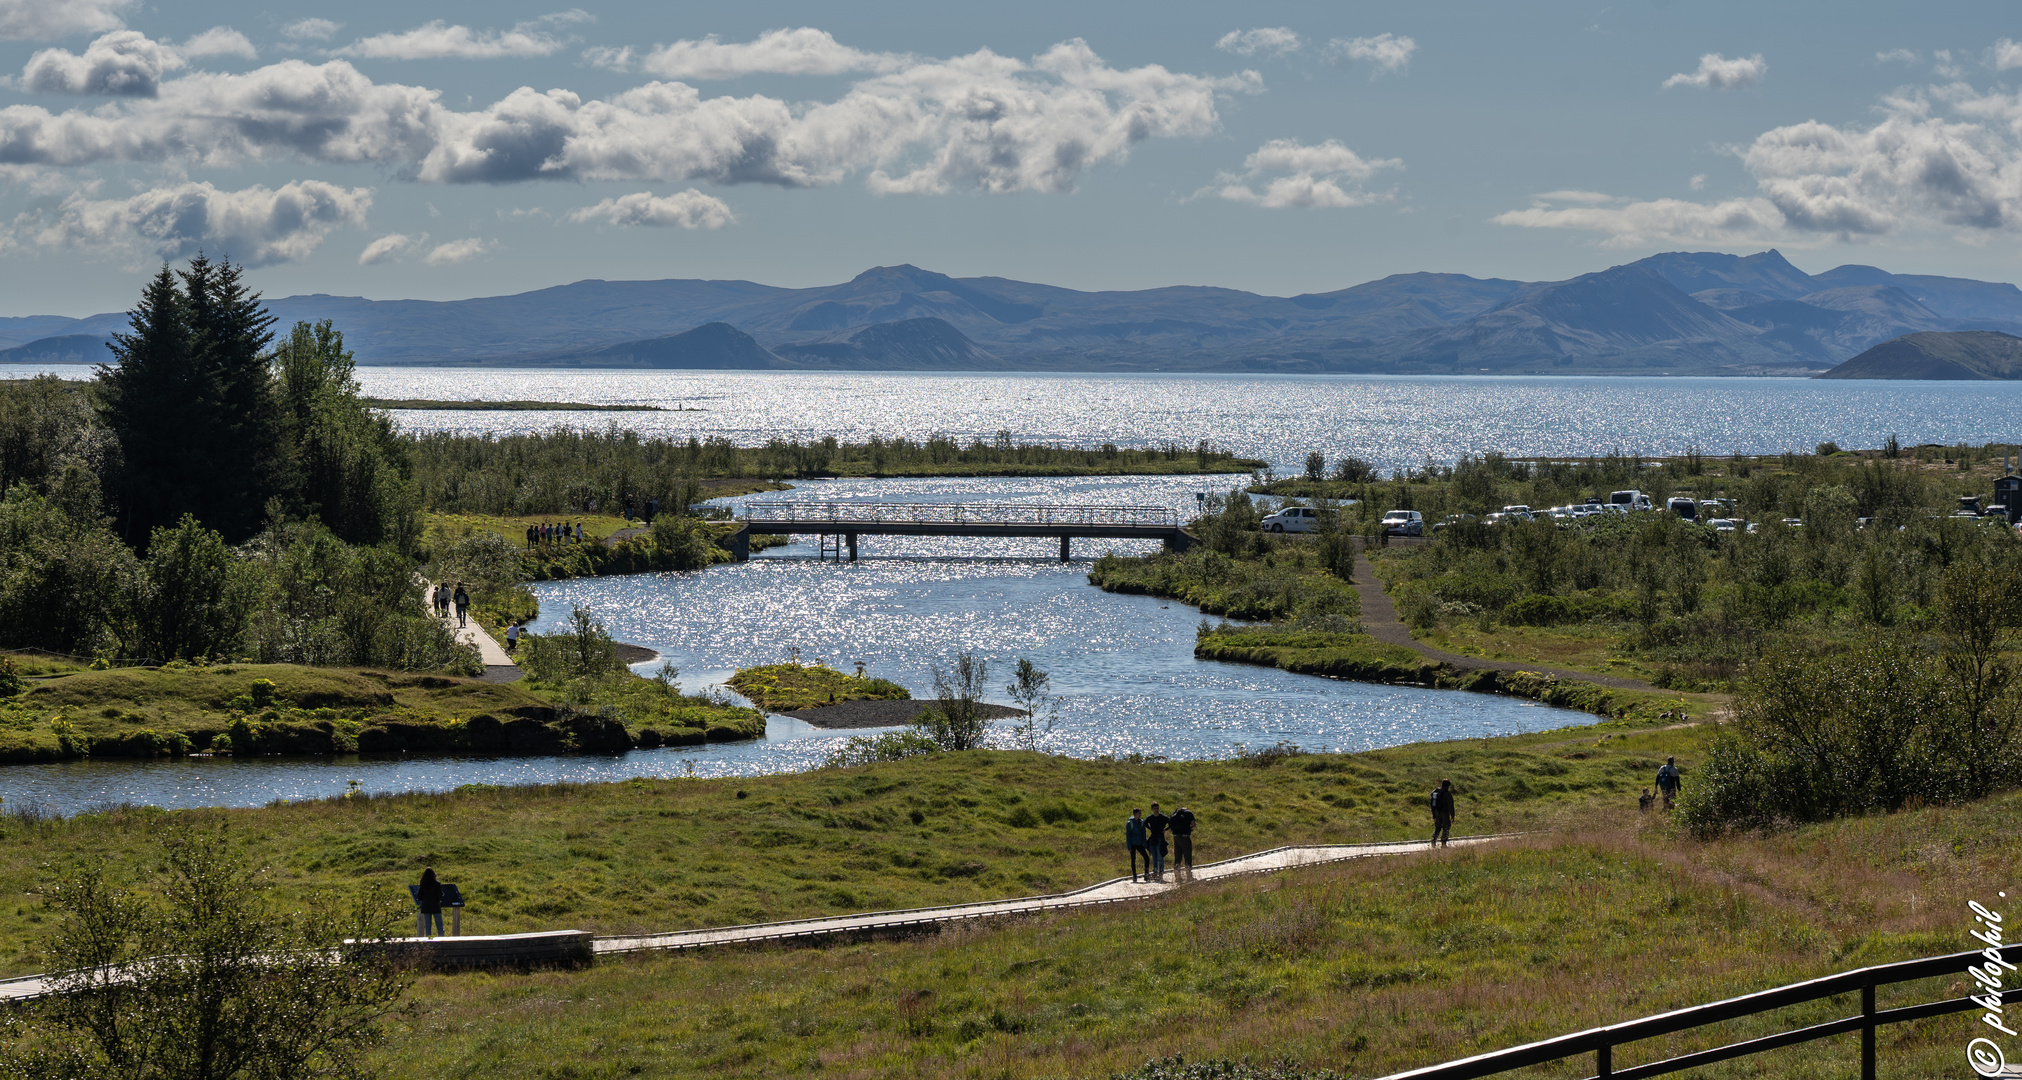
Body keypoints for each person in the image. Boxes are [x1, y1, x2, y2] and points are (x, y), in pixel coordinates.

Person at [1168, 804, 1196, 880]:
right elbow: (1193, 824)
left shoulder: (1174, 814)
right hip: (1185, 837)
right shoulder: (1189, 813)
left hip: (1176, 837)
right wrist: (1189, 828)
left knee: (1177, 857)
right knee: (1187, 857)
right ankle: (1189, 876)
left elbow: (1170, 829)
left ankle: (1177, 876)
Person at [1145, 803, 1171, 881]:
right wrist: (1150, 828)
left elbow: (1170, 823)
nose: (1156, 810)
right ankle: (1155, 872)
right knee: (1154, 857)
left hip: (1160, 838)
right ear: (1152, 809)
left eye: (1157, 808)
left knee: (1160, 856)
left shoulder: (1163, 817)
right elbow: (1145, 823)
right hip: (1153, 838)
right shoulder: (1150, 818)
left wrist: (1165, 830)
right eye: (1154, 809)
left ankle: (1161, 873)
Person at [1125, 808, 1151, 882]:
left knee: (1146, 858)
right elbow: (1128, 835)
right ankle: (1134, 876)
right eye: (1138, 813)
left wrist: (1145, 843)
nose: (1140, 815)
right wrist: (1129, 846)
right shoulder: (1130, 823)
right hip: (1133, 843)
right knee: (1133, 860)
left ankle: (1146, 874)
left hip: (1140, 843)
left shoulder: (1141, 822)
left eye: (1140, 813)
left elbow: (1144, 833)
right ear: (1135, 814)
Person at [416, 867, 443, 937]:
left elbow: (419, 896)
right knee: (439, 925)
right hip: (435, 907)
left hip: (426, 907)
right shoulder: (437, 884)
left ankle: (429, 940)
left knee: (428, 926)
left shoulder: (423, 884)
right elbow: (440, 896)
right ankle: (442, 939)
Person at [1429, 779, 1455, 846]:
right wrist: (1452, 815)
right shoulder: (1447, 794)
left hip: (1437, 811)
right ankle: (1443, 843)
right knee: (1446, 827)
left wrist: (1433, 813)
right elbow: (1450, 805)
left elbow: (1432, 803)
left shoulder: (1435, 792)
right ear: (1448, 786)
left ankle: (1433, 840)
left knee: (1437, 827)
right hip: (1445, 812)